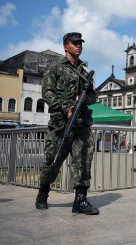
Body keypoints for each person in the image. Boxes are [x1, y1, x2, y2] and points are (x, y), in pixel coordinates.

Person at [35, 32, 99, 215]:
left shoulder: (85, 70)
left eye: (80, 43)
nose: (78, 46)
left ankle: (80, 200)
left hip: (81, 123)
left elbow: (93, 95)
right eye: (74, 43)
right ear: (66, 46)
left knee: (83, 161)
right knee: (53, 160)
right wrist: (66, 107)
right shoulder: (55, 68)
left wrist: (85, 97)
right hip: (61, 124)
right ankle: (42, 193)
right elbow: (47, 93)